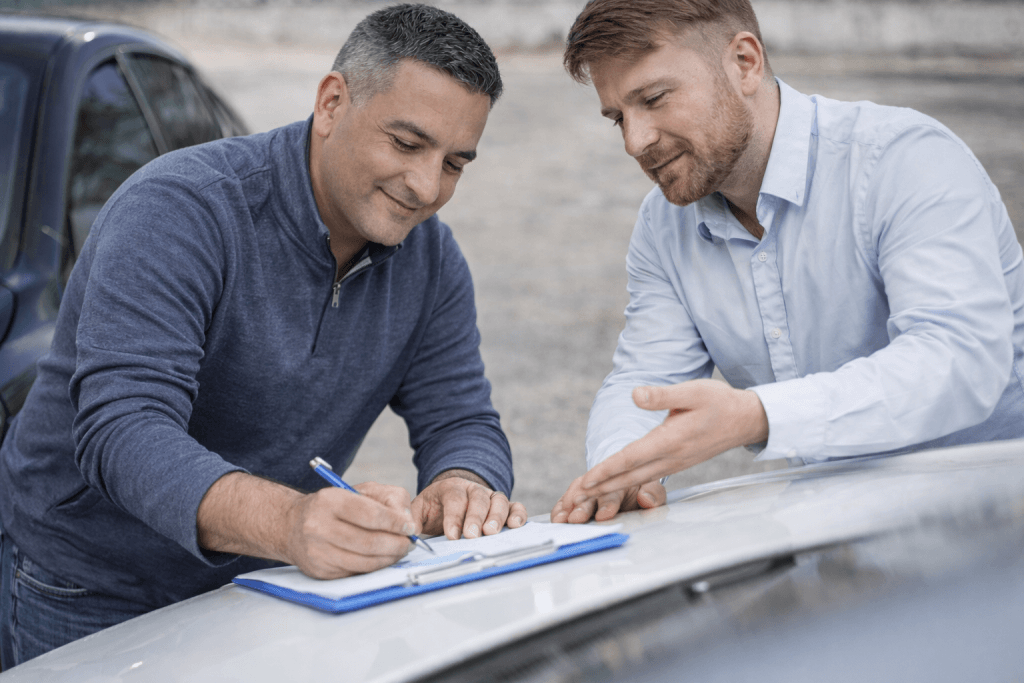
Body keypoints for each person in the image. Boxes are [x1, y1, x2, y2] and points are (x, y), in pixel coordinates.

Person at [0, 3, 527, 666]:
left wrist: (464, 482)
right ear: (332, 102)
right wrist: (290, 522)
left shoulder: (433, 260)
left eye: (454, 164)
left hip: (261, 581)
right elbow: (124, 428)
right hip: (91, 583)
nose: (426, 187)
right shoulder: (179, 210)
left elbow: (461, 417)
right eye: (406, 143)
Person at [552, 0, 1024, 524]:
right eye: (619, 117)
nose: (635, 141)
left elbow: (960, 359)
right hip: (839, 536)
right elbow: (644, 378)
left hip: (995, 525)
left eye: (654, 99)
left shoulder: (902, 160)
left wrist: (758, 415)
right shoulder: (664, 225)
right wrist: (619, 472)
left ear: (745, 63)